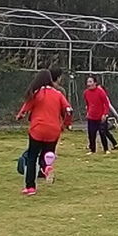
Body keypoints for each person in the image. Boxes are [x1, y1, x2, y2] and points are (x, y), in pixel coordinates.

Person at [16, 68, 73, 196]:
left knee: (32, 157)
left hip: (38, 129)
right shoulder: (58, 94)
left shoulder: (36, 94)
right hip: (53, 130)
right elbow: (69, 109)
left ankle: (31, 187)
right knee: (47, 154)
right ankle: (47, 168)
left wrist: (20, 115)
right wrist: (67, 124)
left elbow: (25, 108)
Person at [83, 75, 115, 155]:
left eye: (90, 82)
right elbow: (88, 103)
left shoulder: (100, 91)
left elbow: (106, 104)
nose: (89, 84)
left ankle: (106, 149)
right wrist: (88, 112)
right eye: (88, 82)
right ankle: (92, 150)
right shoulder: (86, 93)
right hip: (91, 116)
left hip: (100, 117)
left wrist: (105, 114)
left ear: (95, 83)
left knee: (102, 133)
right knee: (91, 133)